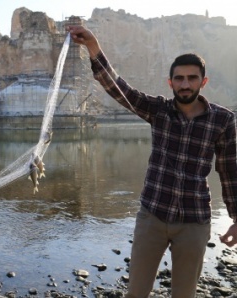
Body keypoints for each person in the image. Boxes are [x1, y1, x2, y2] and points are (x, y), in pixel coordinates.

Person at [68, 25, 237, 297]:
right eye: (179, 79)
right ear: (170, 83)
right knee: (136, 292)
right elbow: (117, 87)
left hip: (194, 220)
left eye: (192, 78)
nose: (185, 84)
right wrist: (93, 47)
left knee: (185, 293)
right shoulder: (158, 110)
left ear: (203, 82)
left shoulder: (223, 120)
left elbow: (229, 172)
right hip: (152, 216)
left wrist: (236, 217)